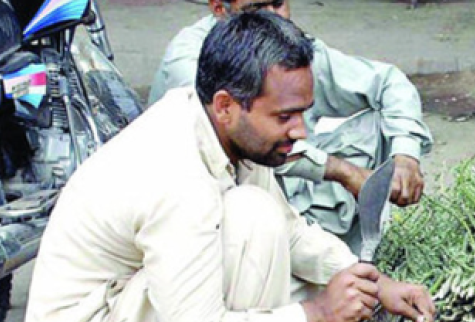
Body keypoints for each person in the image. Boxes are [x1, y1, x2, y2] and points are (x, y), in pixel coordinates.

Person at [22, 12, 435, 322]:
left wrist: (379, 285)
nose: (299, 131)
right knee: (248, 219)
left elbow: (291, 235)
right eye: (285, 116)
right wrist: (317, 315)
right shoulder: (178, 178)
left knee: (259, 216)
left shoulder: (223, 130)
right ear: (226, 105)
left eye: (302, 114)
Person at [148, 0, 433, 254]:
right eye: (259, 7)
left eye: (279, 3)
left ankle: (357, 258)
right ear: (220, 9)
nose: (276, 17)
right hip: (222, 204)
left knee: (379, 126)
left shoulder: (286, 46)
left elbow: (387, 82)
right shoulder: (189, 62)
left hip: (278, 186)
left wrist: (405, 155)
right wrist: (342, 170)